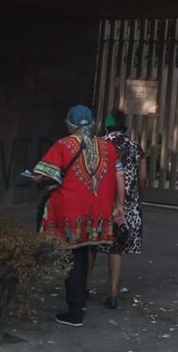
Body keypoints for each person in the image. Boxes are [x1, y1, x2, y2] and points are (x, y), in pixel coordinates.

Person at [31, 105, 125, 327]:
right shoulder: (108, 147)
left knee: (72, 257)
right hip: (97, 213)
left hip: (69, 212)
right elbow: (118, 175)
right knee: (83, 254)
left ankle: (75, 311)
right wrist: (119, 205)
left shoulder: (63, 145)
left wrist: (38, 180)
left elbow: (45, 175)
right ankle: (79, 301)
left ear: (70, 124)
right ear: (93, 124)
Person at [91, 110, 146, 309]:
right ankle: (113, 294)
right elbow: (142, 178)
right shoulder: (135, 146)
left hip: (100, 202)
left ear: (106, 126)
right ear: (125, 127)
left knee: (91, 245)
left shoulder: (97, 144)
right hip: (126, 205)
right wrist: (139, 197)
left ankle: (84, 288)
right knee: (116, 248)